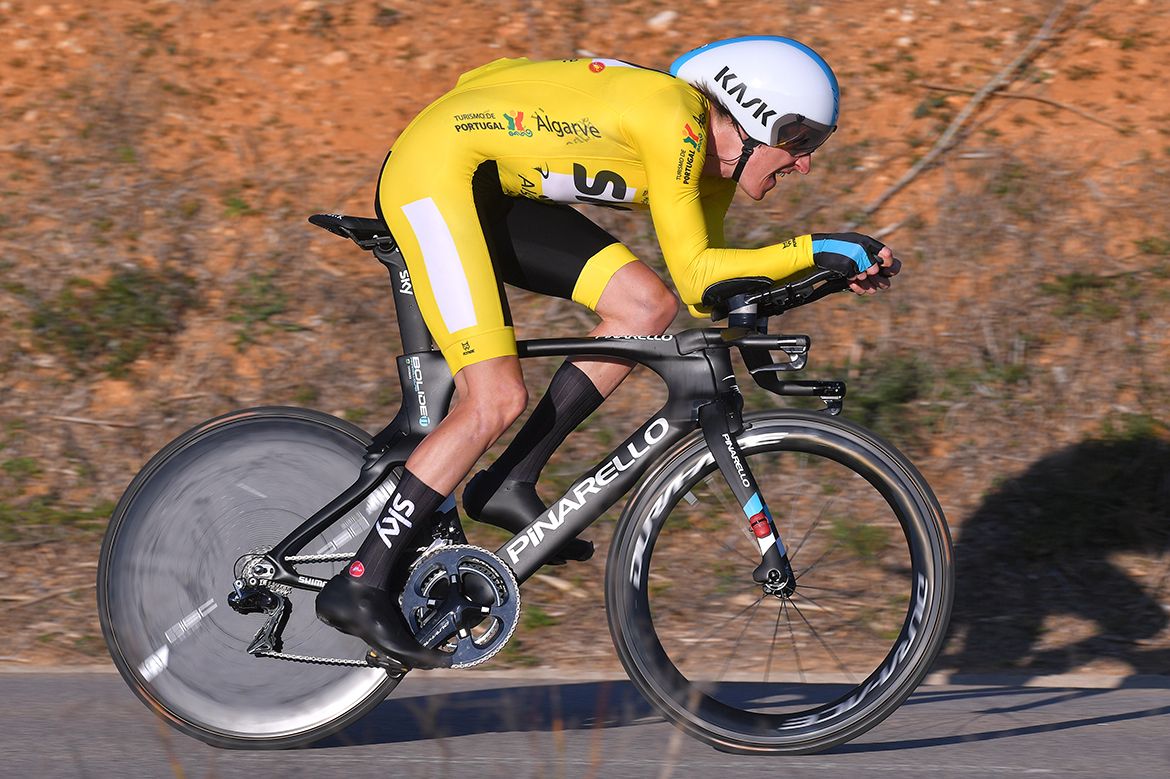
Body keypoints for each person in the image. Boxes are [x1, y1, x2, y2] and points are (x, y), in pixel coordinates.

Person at [315, 36, 901, 669]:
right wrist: (821, 247)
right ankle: (361, 580)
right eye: (800, 141)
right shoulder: (674, 120)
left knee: (645, 311)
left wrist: (826, 276)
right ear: (752, 113)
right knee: (494, 395)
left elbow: (707, 295)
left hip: (490, 183)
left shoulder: (712, 167)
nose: (805, 163)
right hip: (436, 174)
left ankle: (508, 480)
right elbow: (704, 275)